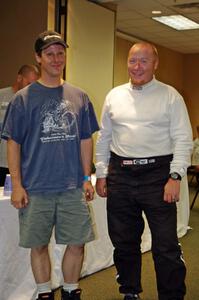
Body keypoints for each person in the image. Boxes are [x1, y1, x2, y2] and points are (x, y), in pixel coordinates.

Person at [1, 30, 99, 300]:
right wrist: (17, 185)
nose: (56, 59)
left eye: (60, 53)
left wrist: (85, 177)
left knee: (77, 243)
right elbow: (13, 144)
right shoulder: (23, 99)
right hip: (36, 188)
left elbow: (84, 140)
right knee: (39, 245)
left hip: (71, 187)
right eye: (49, 54)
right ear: (38, 58)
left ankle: (70, 291)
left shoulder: (79, 96)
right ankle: (45, 293)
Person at [95, 42, 193, 300]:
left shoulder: (170, 96)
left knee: (166, 245)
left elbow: (183, 139)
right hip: (121, 175)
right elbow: (104, 137)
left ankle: (171, 296)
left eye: (143, 61)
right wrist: (102, 172)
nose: (137, 67)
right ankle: (130, 291)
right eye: (132, 61)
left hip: (158, 177)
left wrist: (175, 176)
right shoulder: (114, 96)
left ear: (155, 64)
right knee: (124, 242)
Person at [0, 64, 40, 186]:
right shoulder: (2, 96)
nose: (31, 88)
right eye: (29, 83)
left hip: (25, 166)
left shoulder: (35, 101)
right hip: (2, 163)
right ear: (19, 78)